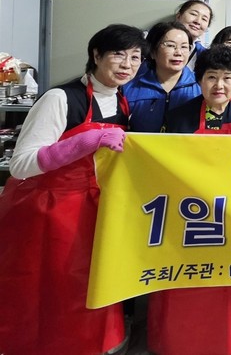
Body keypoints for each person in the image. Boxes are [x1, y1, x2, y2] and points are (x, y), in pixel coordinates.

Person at [0, 24, 146, 355]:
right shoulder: (60, 98)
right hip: (50, 212)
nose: (127, 64)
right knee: (51, 291)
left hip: (96, 210)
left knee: (90, 288)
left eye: (135, 57)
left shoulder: (121, 100)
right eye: (118, 54)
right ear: (96, 55)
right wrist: (84, 142)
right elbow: (21, 165)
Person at [146, 45, 231, 355]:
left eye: (227, 78)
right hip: (190, 217)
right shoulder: (180, 116)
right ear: (199, 80)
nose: (219, 85)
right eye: (211, 77)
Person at [124, 21, 201, 132]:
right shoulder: (130, 88)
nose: (179, 52)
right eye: (170, 45)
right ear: (152, 51)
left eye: (184, 47)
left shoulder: (200, 86)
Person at [175, 0, 213, 71]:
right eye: (193, 14)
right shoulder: (159, 43)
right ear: (178, 16)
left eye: (204, 19)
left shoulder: (206, 55)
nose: (198, 21)